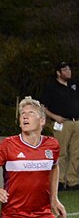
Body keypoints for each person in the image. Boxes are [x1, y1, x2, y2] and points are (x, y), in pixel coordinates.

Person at [40, 62, 79, 190]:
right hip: (62, 123)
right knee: (61, 152)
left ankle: (72, 181)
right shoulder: (51, 87)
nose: (68, 71)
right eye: (65, 69)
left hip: (76, 122)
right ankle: (60, 181)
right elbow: (42, 107)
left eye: (69, 68)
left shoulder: (74, 85)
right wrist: (55, 116)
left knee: (76, 153)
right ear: (58, 72)